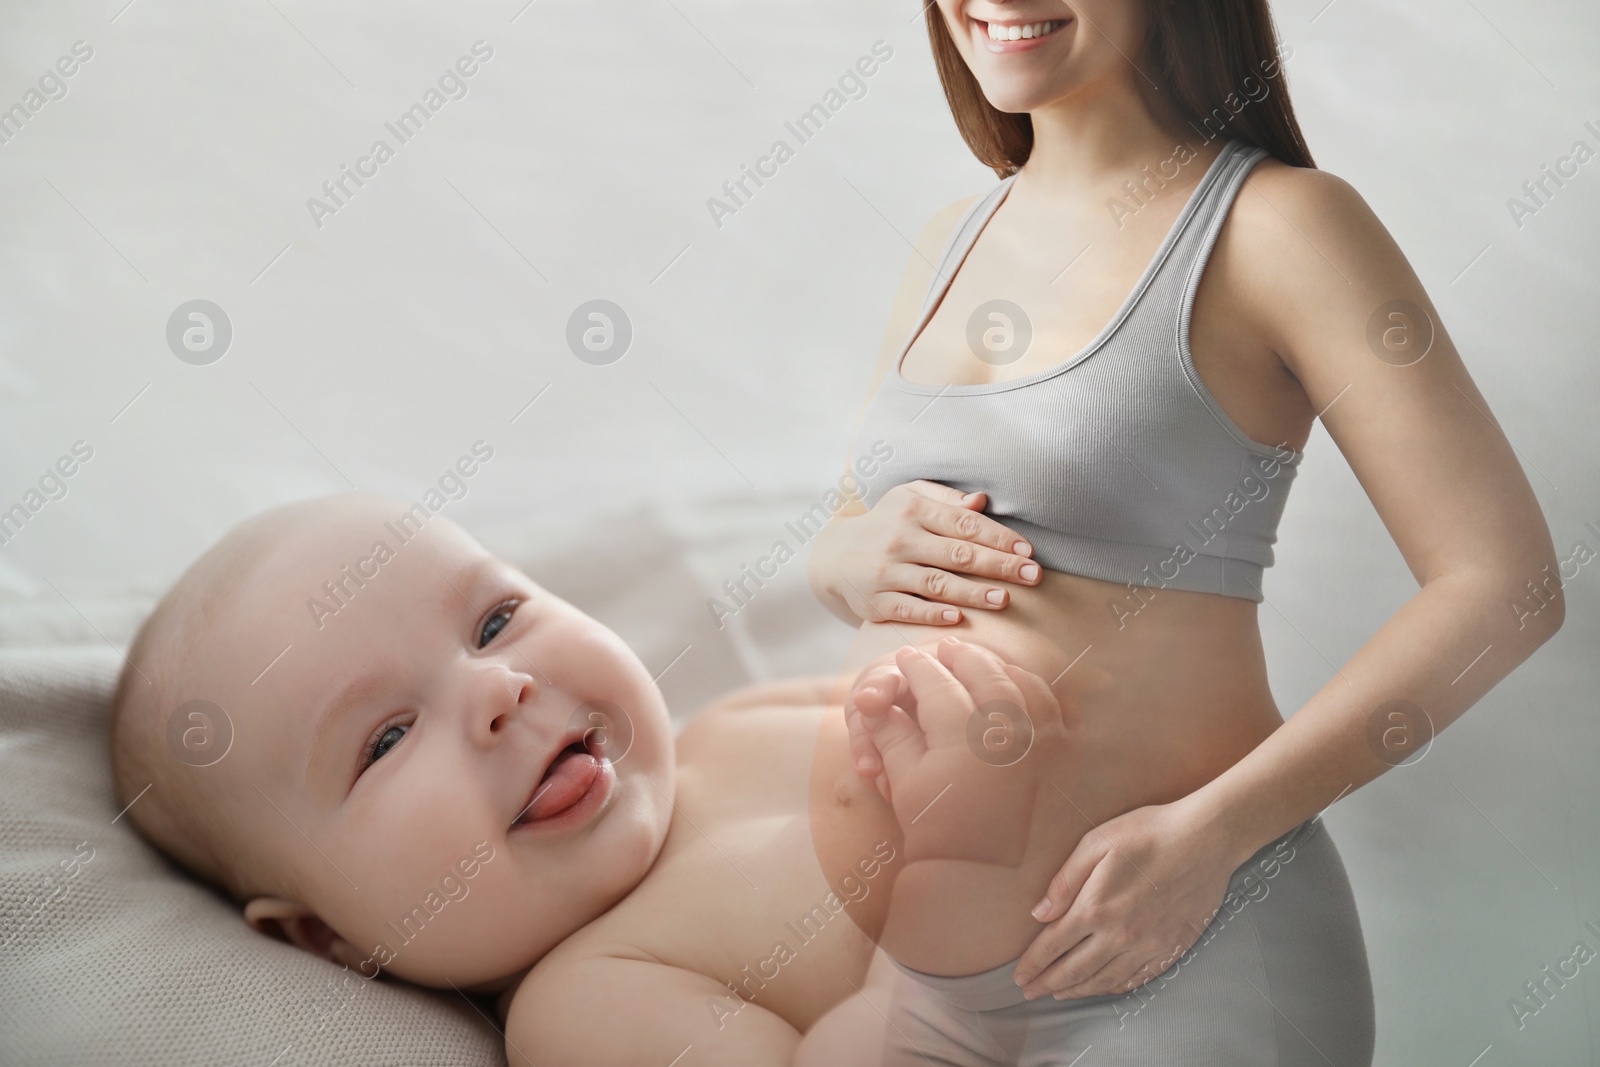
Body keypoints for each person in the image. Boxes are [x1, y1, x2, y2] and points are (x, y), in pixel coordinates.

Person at [805, 0, 1564, 1063]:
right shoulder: (950, 238)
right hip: (934, 993)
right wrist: (832, 554)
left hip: (1189, 956)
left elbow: (1505, 584)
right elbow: (859, 515)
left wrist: (1211, 836)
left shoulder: (1282, 225)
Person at [107, 493, 1077, 1066]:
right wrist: (966, 865)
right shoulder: (585, 1001)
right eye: (388, 736)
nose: (498, 685)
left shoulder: (736, 725)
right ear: (330, 934)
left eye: (493, 621)